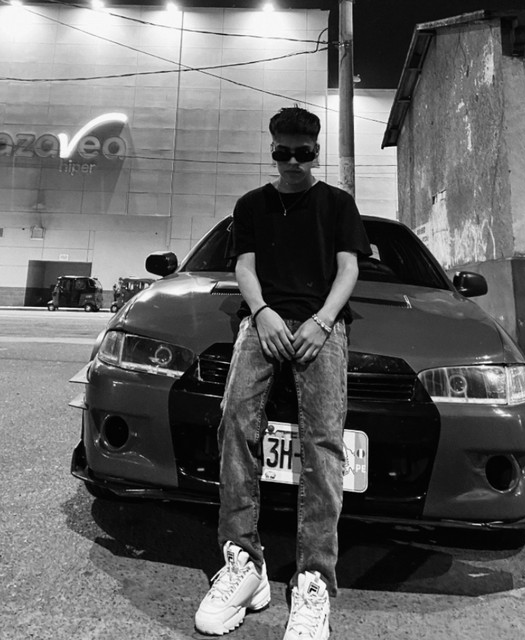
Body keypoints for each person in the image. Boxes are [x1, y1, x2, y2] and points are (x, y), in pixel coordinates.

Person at [195, 106, 371, 639]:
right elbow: (244, 266)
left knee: (324, 442)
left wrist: (323, 321)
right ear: (272, 149)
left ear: (316, 151)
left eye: (303, 153)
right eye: (283, 152)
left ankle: (314, 577)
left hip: (323, 324)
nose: (293, 162)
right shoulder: (251, 205)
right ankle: (244, 562)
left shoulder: (338, 204)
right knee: (235, 421)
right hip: (263, 320)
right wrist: (263, 312)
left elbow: (349, 268)